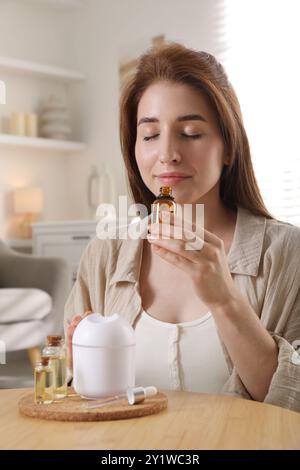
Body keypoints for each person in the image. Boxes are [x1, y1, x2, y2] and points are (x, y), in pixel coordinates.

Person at [64, 42, 300, 411]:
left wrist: (224, 298)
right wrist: (81, 372)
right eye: (150, 135)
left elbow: (291, 406)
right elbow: (77, 400)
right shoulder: (106, 253)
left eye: (190, 133)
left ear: (229, 148)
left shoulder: (286, 253)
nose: (168, 153)